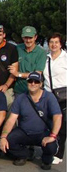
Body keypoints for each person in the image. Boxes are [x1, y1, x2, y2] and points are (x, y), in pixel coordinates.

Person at [0, 72, 62, 170]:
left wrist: (53, 136)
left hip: (43, 133)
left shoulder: (49, 97)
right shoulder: (21, 97)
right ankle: (25, 155)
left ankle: (46, 159)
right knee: (7, 141)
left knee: (51, 146)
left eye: (36, 81)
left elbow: (58, 116)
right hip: (24, 132)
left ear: (41, 84)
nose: (33, 83)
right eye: (30, 81)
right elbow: (11, 119)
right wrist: (3, 136)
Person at [43, 33, 67, 164]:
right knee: (49, 124)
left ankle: (59, 154)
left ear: (61, 44)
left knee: (62, 126)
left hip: (63, 96)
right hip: (48, 95)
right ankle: (50, 148)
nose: (53, 45)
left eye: (56, 42)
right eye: (51, 42)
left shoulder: (65, 58)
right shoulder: (46, 58)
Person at [11, 26, 47, 95]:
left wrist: (18, 74)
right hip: (19, 91)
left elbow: (37, 74)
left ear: (35, 37)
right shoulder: (17, 48)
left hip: (35, 92)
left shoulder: (41, 52)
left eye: (30, 38)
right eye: (26, 38)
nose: (28, 40)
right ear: (22, 38)